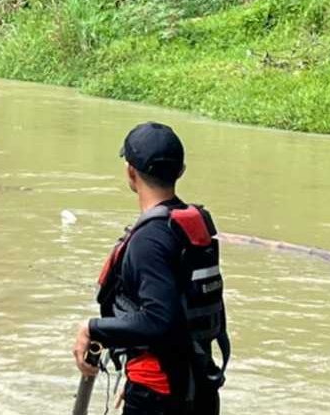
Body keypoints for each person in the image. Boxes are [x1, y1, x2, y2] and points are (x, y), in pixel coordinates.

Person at [72, 122, 229, 415]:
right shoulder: (189, 227)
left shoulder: (149, 240)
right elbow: (185, 314)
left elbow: (159, 320)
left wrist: (92, 328)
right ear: (180, 171)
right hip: (197, 386)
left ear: (130, 172)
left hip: (159, 396)